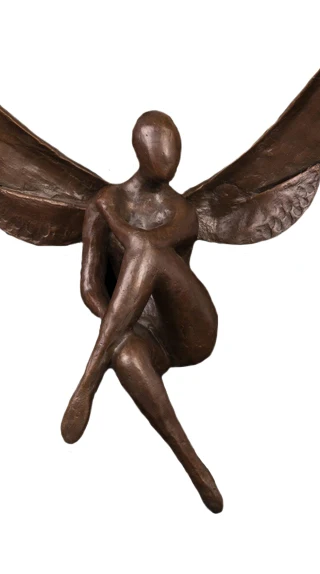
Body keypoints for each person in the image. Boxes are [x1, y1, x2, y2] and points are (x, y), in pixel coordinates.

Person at [61, 110, 223, 512]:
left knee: (148, 252)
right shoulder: (105, 203)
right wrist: (122, 328)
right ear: (139, 149)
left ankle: (88, 380)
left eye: (175, 151)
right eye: (161, 149)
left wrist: (112, 218)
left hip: (189, 328)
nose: (169, 160)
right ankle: (195, 466)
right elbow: (89, 286)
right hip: (143, 334)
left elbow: (144, 245)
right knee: (125, 353)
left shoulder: (183, 211)